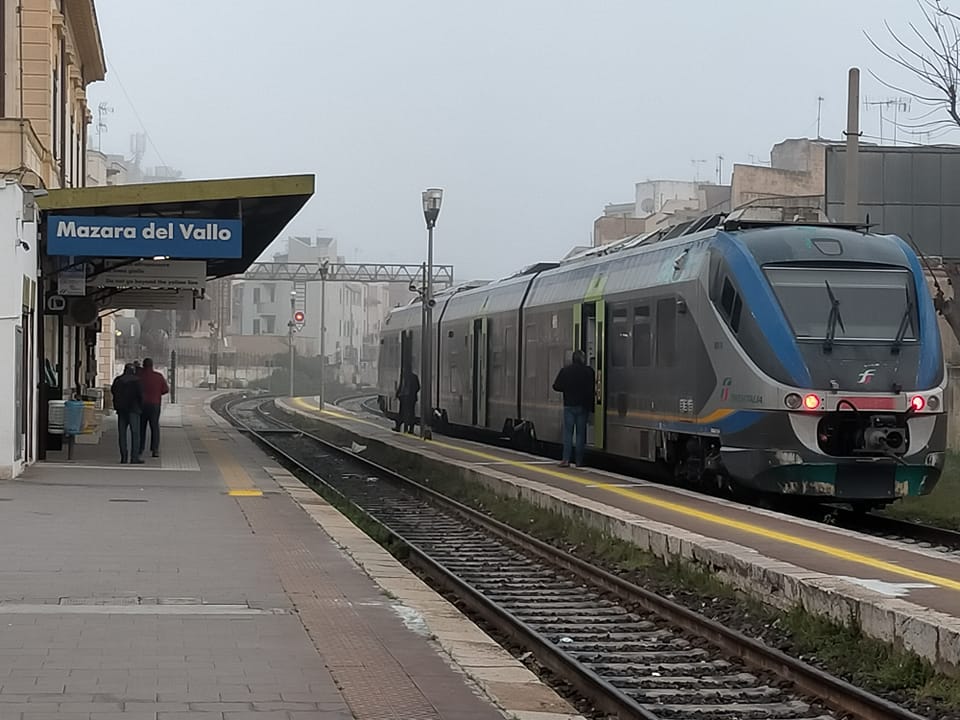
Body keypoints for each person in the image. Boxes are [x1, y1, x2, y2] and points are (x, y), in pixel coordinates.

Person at [552, 349, 595, 468]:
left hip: (569, 406)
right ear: (583, 359)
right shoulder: (589, 371)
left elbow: (556, 386)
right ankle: (579, 461)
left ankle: (566, 460)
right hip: (582, 407)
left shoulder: (565, 371)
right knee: (581, 434)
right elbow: (593, 389)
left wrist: (567, 389)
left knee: (568, 434)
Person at [111, 363, 144, 464]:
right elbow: (141, 395)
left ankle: (123, 457)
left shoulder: (118, 380)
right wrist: (140, 407)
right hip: (134, 410)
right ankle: (134, 457)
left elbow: (113, 392)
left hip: (121, 410)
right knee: (135, 434)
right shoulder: (137, 381)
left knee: (122, 434)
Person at [138, 357, 169, 458]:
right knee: (154, 427)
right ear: (152, 365)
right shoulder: (158, 376)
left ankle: (140, 448)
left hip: (141, 405)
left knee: (141, 427)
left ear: (143, 365)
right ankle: (155, 450)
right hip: (155, 405)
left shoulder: (139, 376)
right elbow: (165, 390)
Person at [394, 369, 420, 434]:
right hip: (407, 398)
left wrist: (398, 394)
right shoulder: (413, 377)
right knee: (410, 414)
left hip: (406, 397)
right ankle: (409, 429)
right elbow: (418, 387)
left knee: (403, 413)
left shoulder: (404, 377)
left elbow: (400, 386)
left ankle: (401, 427)